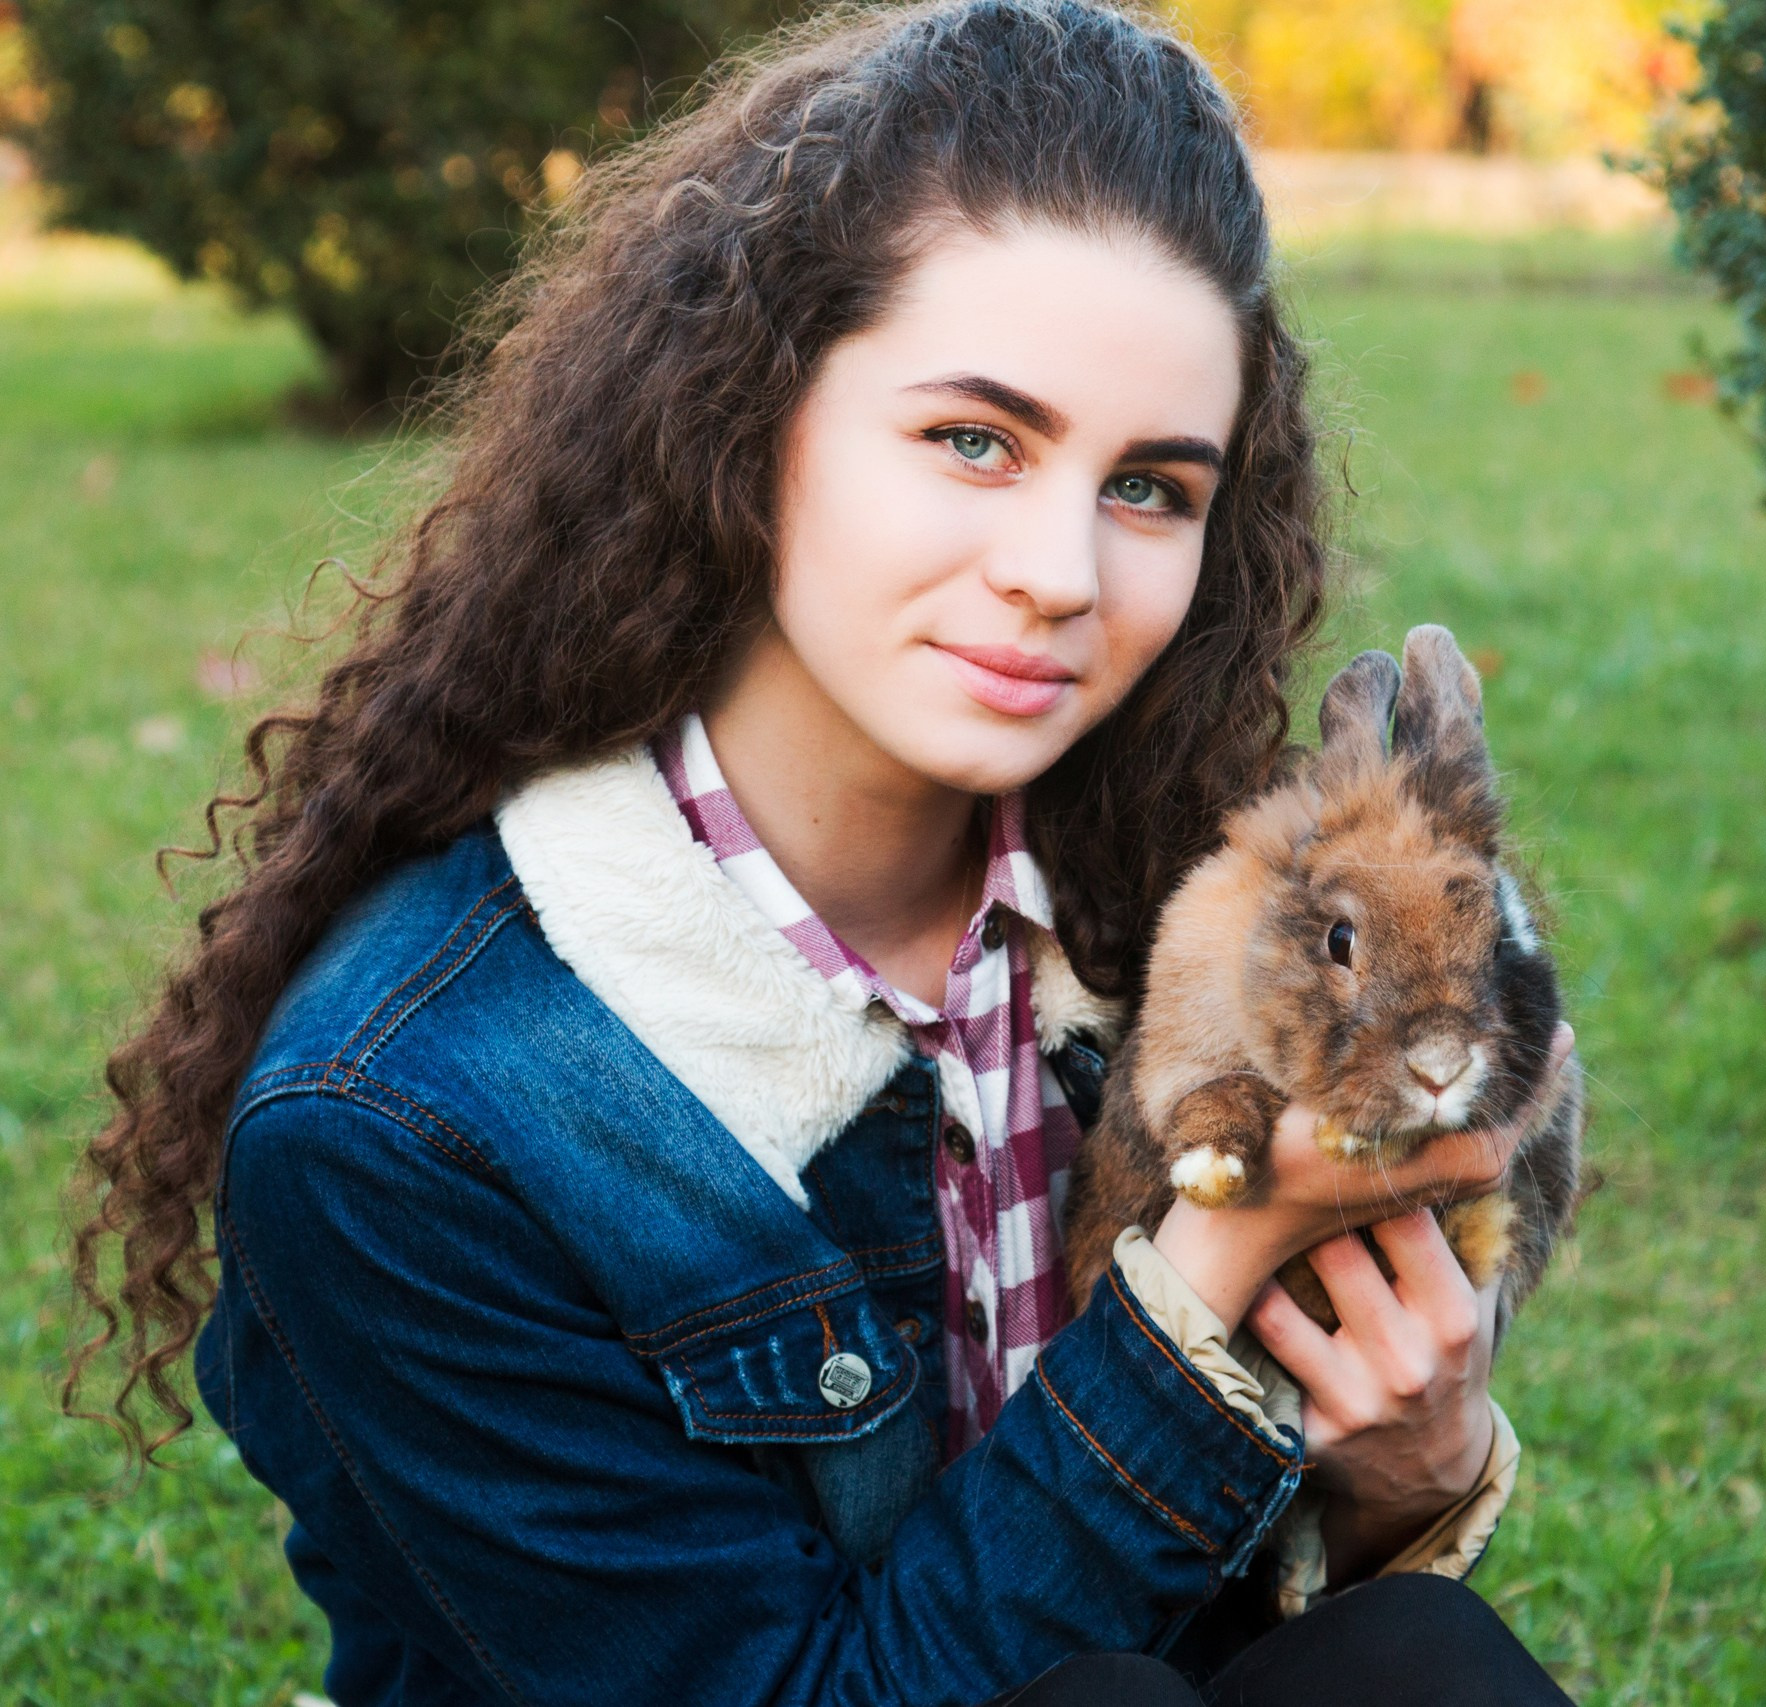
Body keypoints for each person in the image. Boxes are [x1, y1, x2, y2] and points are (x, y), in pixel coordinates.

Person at [66, 4, 1580, 1703]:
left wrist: (1410, 1480)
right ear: (749, 412)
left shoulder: (1174, 928)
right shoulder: (409, 1121)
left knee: (1413, 1660)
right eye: (974, 441)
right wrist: (1208, 1267)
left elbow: (1235, 1605)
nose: (1061, 570)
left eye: (1150, 487)